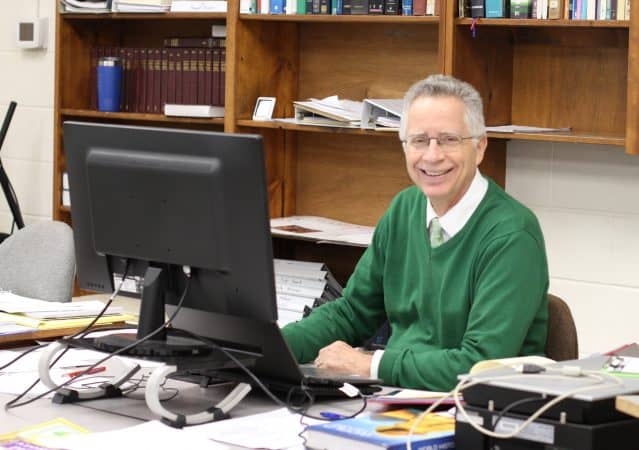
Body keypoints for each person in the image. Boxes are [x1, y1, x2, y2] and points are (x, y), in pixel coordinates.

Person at [281, 74, 549, 391]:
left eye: (449, 139)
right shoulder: (405, 209)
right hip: (395, 397)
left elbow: (478, 364)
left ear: (479, 148)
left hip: (474, 413)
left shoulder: (512, 235)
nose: (432, 156)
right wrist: (268, 347)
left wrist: (370, 365)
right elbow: (352, 313)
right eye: (419, 141)